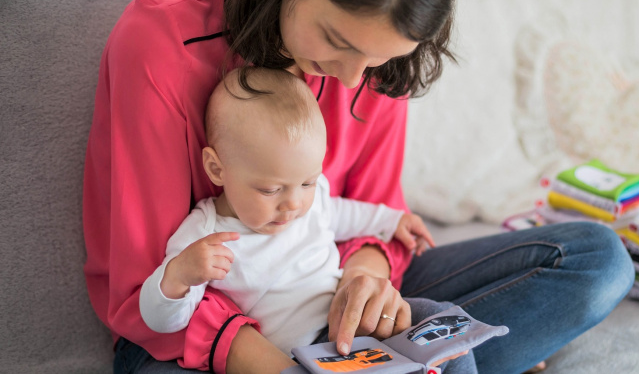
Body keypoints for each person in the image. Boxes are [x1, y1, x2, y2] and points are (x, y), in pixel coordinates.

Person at [83, 0, 635, 373]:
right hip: (190, 334)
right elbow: (145, 291)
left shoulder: (375, 59)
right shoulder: (159, 43)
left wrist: (364, 281)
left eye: (375, 61)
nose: (352, 80)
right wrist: (276, 367)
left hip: (329, 297)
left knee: (598, 261)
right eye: (338, 43)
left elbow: (374, 214)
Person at [138, 67, 438, 358]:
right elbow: (163, 322)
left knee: (437, 321)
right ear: (217, 169)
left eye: (308, 182)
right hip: (303, 354)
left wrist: (392, 220)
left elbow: (343, 214)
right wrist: (178, 276)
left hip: (349, 321)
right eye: (270, 190)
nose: (293, 204)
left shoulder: (309, 198)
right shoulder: (205, 235)